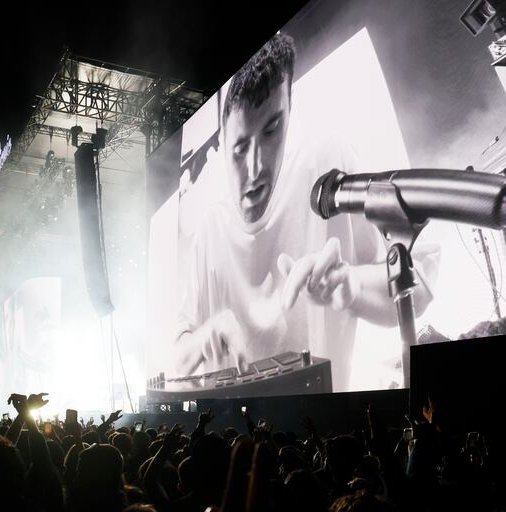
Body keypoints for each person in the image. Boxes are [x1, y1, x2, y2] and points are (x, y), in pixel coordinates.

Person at [174, 33, 437, 391]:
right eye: (239, 147)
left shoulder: (326, 167)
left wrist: (353, 285)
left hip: (319, 439)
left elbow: (418, 289)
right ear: (221, 144)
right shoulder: (209, 228)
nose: (255, 169)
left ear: (289, 111)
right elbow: (178, 354)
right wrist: (205, 335)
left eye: (271, 131)